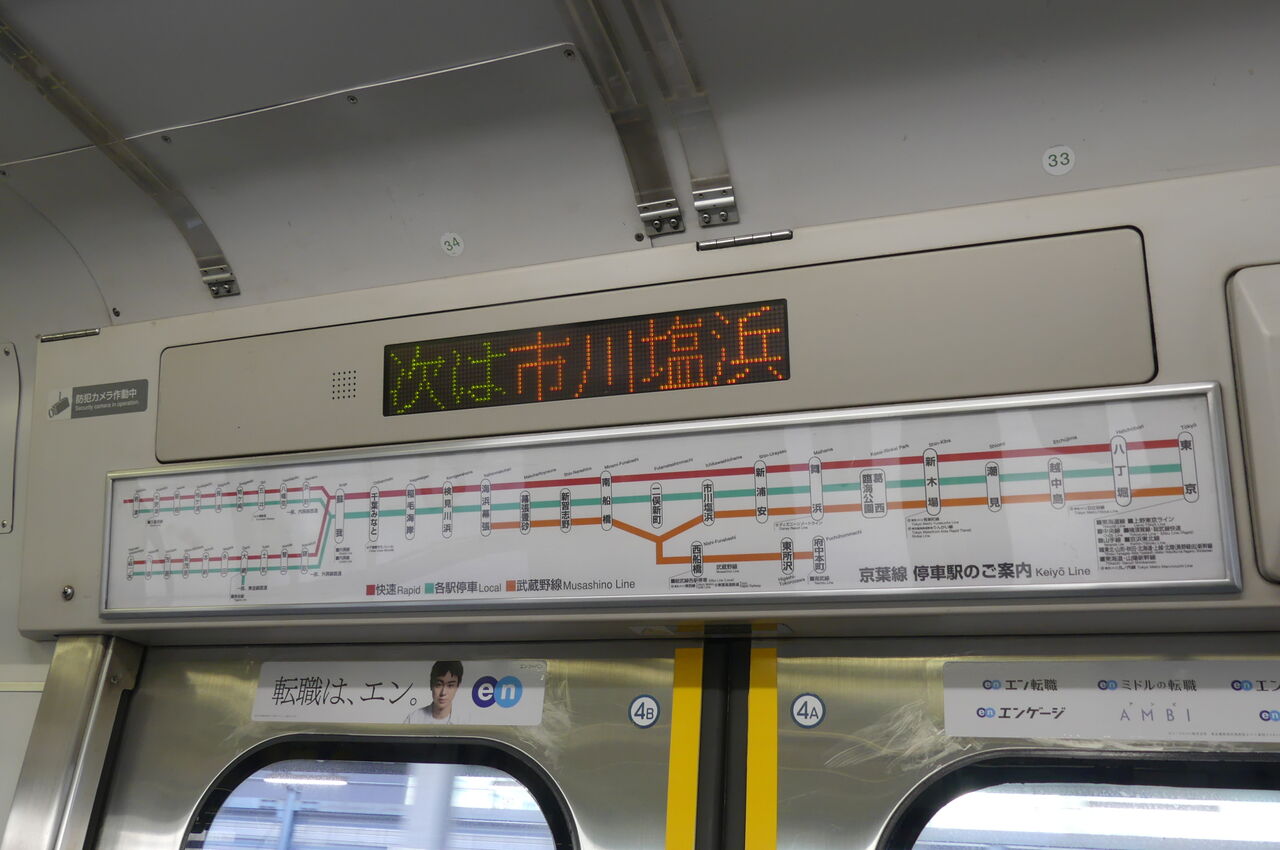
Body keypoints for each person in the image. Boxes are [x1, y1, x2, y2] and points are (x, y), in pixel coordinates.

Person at [404, 660, 463, 724]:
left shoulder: (466, 721)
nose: (443, 693)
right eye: (438, 685)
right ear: (431, 684)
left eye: (450, 685)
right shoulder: (413, 719)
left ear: (458, 686)